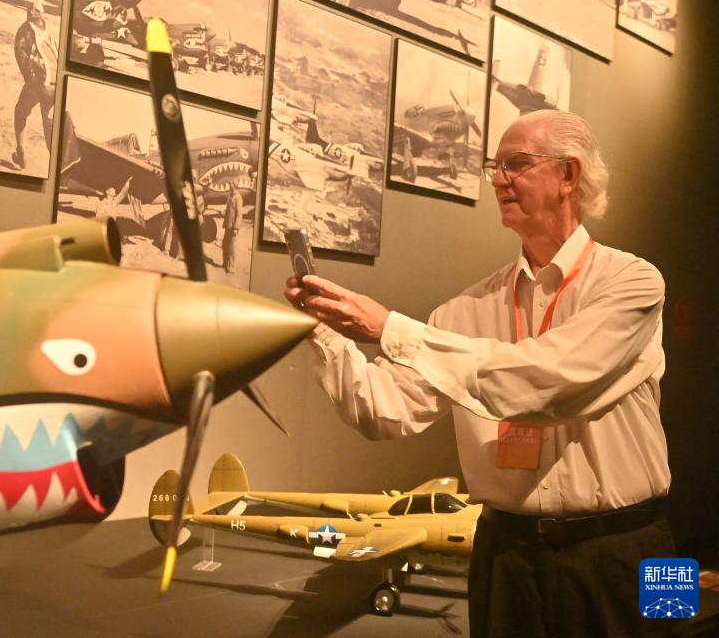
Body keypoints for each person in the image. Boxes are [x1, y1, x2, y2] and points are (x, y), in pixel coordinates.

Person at [285, 110, 680, 638]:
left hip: (636, 547)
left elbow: (552, 382)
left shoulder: (634, 283)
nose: (498, 179)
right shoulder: (460, 312)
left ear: (569, 175)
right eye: (495, 167)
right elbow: (383, 411)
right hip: (505, 553)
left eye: (516, 164)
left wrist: (391, 330)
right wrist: (324, 331)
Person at [11, 0, 58, 170]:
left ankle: (21, 151)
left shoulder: (25, 30)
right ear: (42, 15)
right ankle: (56, 163)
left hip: (40, 82)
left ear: (29, 13)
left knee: (20, 112)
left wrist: (30, 80)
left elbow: (20, 53)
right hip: (55, 84)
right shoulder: (49, 35)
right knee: (49, 125)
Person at [221, 184, 244, 274]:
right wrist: (223, 212)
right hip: (228, 225)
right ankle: (225, 264)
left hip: (233, 227)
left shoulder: (238, 197)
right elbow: (228, 210)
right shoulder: (230, 196)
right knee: (224, 244)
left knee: (231, 247)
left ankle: (231, 268)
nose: (229, 185)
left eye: (231, 184)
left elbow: (239, 214)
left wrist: (236, 227)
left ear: (234, 186)